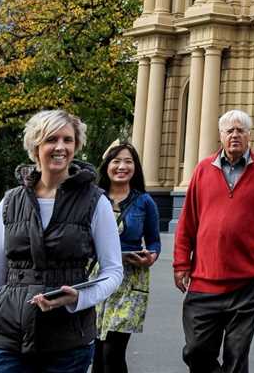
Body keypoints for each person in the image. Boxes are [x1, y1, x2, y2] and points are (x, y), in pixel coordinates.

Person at [0, 109, 123, 373]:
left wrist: (79, 297)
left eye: (68, 140)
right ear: (35, 146)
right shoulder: (10, 201)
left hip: (67, 340)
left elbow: (113, 271)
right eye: (51, 139)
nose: (60, 147)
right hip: (7, 335)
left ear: (76, 146)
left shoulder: (95, 201)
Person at [173, 109, 254, 373]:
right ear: (220, 136)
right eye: (229, 131)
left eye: (241, 130)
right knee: (196, 351)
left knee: (236, 357)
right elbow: (187, 222)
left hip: (249, 283)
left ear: (250, 136)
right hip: (204, 281)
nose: (235, 135)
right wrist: (181, 263)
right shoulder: (203, 170)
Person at [92, 142, 161, 373]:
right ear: (107, 166)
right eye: (116, 161)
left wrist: (150, 257)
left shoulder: (144, 202)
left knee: (113, 351)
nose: (122, 166)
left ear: (135, 167)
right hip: (95, 279)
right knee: (97, 353)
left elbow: (154, 241)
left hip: (129, 281)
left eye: (128, 162)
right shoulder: (94, 199)